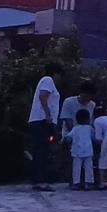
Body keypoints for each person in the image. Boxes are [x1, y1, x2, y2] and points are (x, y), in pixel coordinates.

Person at [26, 62, 62, 192]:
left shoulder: (46, 81)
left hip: (40, 121)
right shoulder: (48, 80)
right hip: (42, 121)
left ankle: (37, 179)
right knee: (42, 150)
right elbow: (43, 96)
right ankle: (41, 180)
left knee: (40, 150)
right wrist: (48, 115)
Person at [63, 107, 95, 190]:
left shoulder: (75, 128)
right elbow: (94, 137)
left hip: (77, 151)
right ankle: (89, 183)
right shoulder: (90, 128)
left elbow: (69, 137)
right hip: (88, 150)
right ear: (88, 118)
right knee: (89, 167)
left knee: (76, 168)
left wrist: (64, 139)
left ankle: (76, 183)